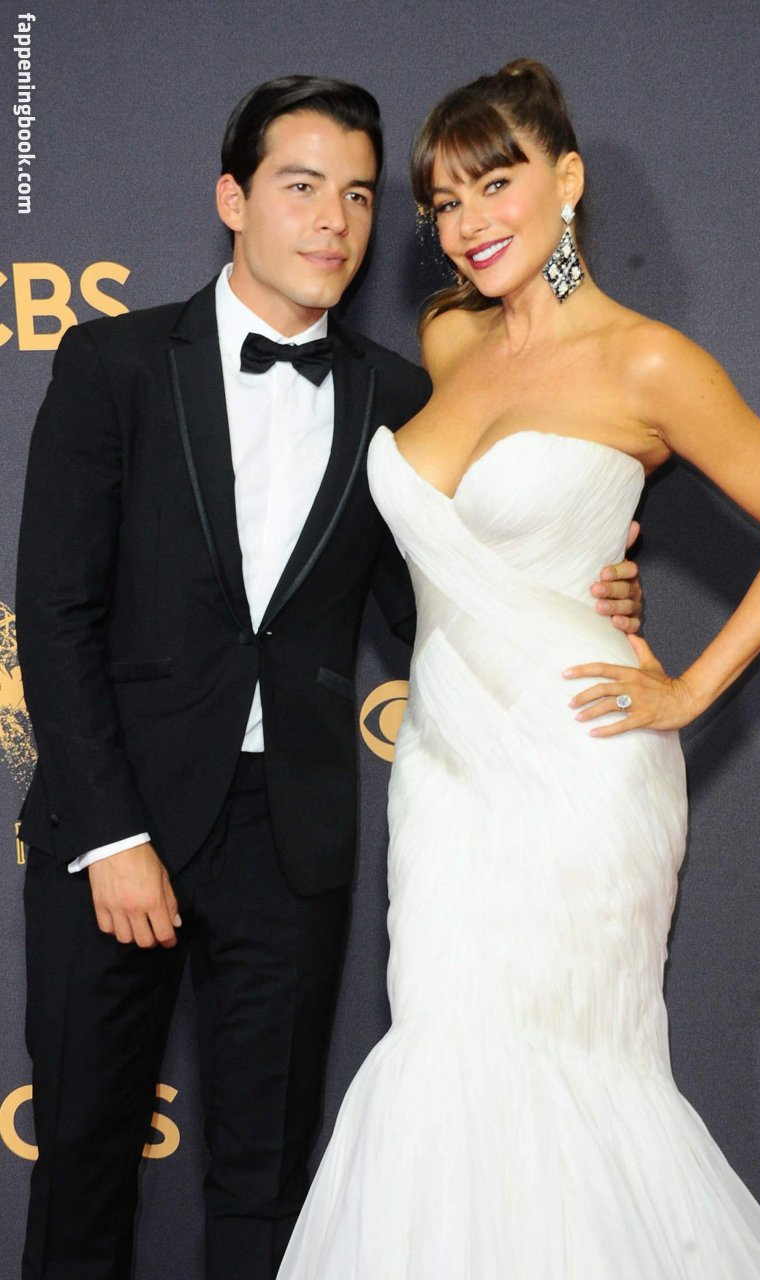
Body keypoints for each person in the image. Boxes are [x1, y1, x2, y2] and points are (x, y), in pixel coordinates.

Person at [15, 73, 641, 1280]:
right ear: (232, 200)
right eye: (301, 187)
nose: (333, 221)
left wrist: (581, 591)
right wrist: (112, 835)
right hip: (117, 820)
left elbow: (437, 603)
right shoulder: (113, 362)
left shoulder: (399, 397)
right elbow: (55, 610)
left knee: (268, 1180)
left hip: (292, 837)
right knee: (83, 1164)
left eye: (357, 196)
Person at [276, 60, 760, 1279]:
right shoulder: (448, 335)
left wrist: (688, 689)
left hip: (581, 758)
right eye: (444, 200)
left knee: (560, 1066)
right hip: (445, 761)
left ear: (568, 180)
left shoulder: (648, 362)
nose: (468, 221)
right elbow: (471, 540)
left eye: (496, 183)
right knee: (442, 1053)